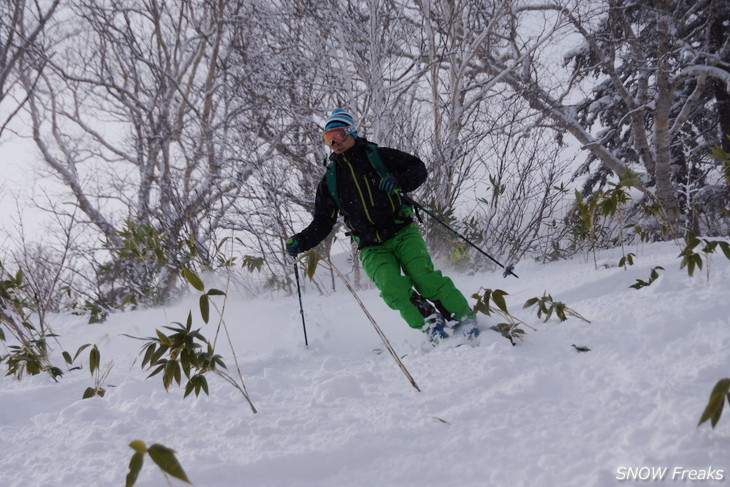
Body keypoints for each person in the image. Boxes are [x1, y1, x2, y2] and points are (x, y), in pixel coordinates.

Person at [286, 109, 478, 344]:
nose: (334, 143)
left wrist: (399, 181)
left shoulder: (378, 156)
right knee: (392, 288)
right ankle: (431, 323)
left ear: (351, 132)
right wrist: (301, 241)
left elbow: (418, 168)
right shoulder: (331, 180)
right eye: (328, 138)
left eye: (337, 135)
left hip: (402, 231)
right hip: (370, 246)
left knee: (424, 277)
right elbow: (323, 221)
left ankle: (463, 317)